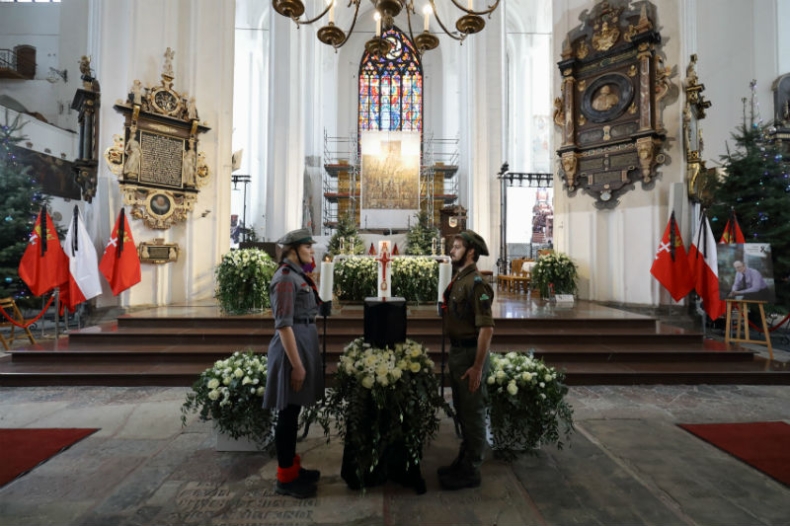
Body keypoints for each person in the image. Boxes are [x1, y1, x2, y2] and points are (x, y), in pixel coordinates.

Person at [263, 228, 324, 499]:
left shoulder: (298, 275)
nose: (312, 251)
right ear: (292, 250)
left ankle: (293, 468)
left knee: (293, 411)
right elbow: (284, 325)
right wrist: (297, 365)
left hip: (302, 342)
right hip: (292, 350)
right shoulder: (286, 279)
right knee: (287, 416)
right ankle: (285, 478)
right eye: (308, 247)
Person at [438, 230, 495, 490]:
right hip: (459, 354)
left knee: (472, 415)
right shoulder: (460, 280)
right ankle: (464, 458)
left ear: (470, 251)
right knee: (462, 410)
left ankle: (472, 469)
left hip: (471, 355)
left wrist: (477, 367)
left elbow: (486, 328)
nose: (452, 250)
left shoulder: (478, 284)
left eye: (457, 246)